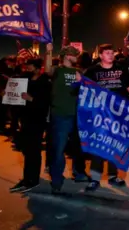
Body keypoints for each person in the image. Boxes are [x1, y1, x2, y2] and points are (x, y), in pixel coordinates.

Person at [84, 44, 129, 191]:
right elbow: (85, 90)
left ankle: (112, 175)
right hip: (99, 115)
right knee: (98, 144)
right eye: (107, 53)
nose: (111, 55)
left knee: (114, 144)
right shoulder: (93, 71)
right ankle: (95, 178)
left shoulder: (121, 69)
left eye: (112, 53)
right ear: (101, 55)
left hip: (117, 114)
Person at [45, 44, 90, 194]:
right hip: (61, 116)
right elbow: (47, 70)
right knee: (58, 149)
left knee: (79, 148)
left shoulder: (78, 71)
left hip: (77, 116)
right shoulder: (58, 71)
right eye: (74, 55)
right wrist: (48, 51)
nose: (76, 57)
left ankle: (80, 173)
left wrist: (81, 80)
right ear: (66, 56)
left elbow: (88, 89)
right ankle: (57, 179)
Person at [10, 58, 51, 193]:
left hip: (37, 120)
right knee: (27, 150)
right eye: (27, 66)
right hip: (26, 119)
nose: (27, 68)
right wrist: (9, 95)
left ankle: (32, 180)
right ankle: (27, 177)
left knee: (33, 150)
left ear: (38, 68)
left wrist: (31, 99)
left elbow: (45, 102)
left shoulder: (44, 81)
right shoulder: (25, 79)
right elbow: (16, 92)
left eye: (30, 66)